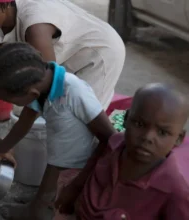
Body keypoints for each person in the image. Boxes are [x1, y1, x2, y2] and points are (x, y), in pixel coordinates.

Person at [0, 0, 125, 148]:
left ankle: (108, 163)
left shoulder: (35, 27)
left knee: (84, 125)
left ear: (5, 5)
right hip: (69, 54)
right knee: (62, 119)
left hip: (100, 53)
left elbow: (42, 93)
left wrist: (8, 144)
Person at [0, 43, 116, 220]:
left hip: (77, 167)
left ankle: (37, 211)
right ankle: (36, 206)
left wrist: (78, 184)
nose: (10, 103)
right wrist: (3, 148)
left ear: (31, 94)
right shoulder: (40, 86)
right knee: (47, 192)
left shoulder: (74, 91)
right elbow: (24, 123)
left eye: (10, 100)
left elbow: (110, 138)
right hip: (57, 159)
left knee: (60, 207)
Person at [77, 83, 189, 219]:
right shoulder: (113, 143)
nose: (147, 137)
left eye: (162, 132)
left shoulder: (175, 191)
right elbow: (91, 167)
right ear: (126, 119)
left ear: (179, 138)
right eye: (139, 124)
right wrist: (73, 189)